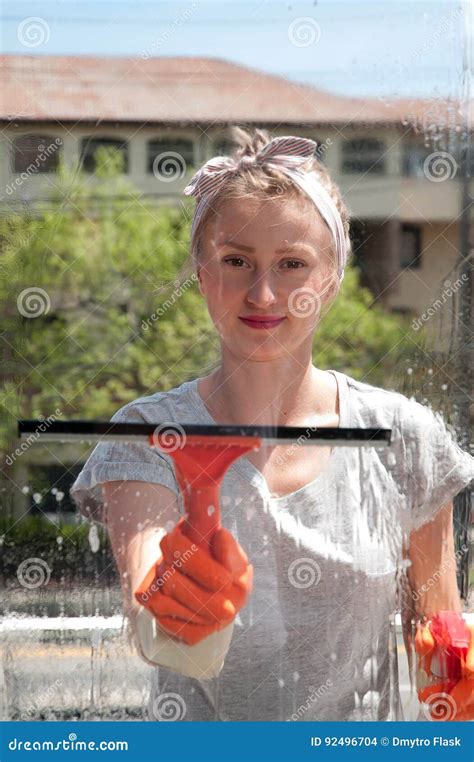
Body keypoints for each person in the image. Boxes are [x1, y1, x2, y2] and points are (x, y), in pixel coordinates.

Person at [71, 127, 474, 722]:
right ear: (202, 275)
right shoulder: (148, 431)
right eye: (236, 261)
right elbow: (149, 609)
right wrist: (177, 597)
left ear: (330, 282)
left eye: (291, 264)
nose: (263, 292)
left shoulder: (404, 435)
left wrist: (456, 675)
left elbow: (437, 622)